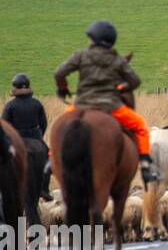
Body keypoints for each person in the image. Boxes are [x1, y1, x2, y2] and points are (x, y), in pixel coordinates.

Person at [53, 20, 158, 183]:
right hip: (111, 106)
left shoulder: (81, 55)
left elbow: (59, 73)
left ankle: (51, 160)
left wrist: (62, 88)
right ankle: (145, 165)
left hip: (81, 105)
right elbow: (135, 81)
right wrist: (122, 87)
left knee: (61, 126)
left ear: (94, 40)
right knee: (140, 127)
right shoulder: (117, 60)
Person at [3, 73, 51, 200]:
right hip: (35, 138)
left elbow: (4, 127)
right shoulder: (37, 103)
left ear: (15, 87)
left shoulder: (10, 105)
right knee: (48, 159)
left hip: (17, 140)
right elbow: (43, 123)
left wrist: (9, 141)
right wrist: (39, 138)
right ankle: (44, 189)